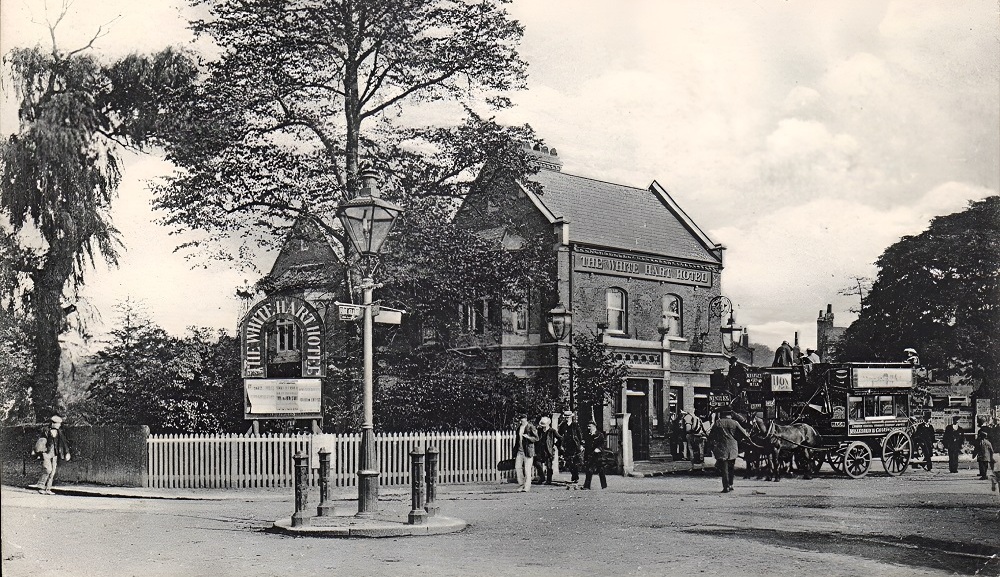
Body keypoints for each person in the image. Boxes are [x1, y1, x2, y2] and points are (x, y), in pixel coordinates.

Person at [707, 408, 750, 493]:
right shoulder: (735, 422)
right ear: (730, 415)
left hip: (721, 448)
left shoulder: (718, 423)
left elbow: (711, 436)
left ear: (722, 414)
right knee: (731, 468)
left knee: (724, 469)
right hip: (733, 448)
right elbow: (744, 434)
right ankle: (730, 485)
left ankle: (725, 487)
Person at [35, 415, 71, 495]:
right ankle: (41, 486)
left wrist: (67, 452)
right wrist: (40, 452)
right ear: (52, 423)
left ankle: (48, 488)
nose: (59, 425)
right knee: (48, 469)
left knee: (53, 471)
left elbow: (64, 443)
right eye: (58, 423)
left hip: (55, 454)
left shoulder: (59, 432)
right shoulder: (45, 430)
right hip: (46, 453)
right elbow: (41, 441)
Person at [512, 414, 539, 492]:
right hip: (520, 451)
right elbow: (517, 440)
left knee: (527, 469)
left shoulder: (531, 427)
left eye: (523, 419)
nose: (521, 420)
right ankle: (521, 484)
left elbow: (536, 438)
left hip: (528, 451)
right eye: (520, 419)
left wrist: (528, 437)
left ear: (526, 419)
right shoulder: (519, 428)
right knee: (518, 467)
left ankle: (527, 486)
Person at [557, 410, 584, 485]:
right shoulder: (563, 425)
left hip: (574, 445)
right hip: (567, 445)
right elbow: (559, 435)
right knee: (569, 462)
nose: (567, 418)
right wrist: (560, 445)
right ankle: (574, 475)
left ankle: (575, 477)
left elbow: (579, 435)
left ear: (571, 417)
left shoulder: (575, 425)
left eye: (568, 417)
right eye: (566, 417)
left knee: (575, 461)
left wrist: (581, 444)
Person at [533, 416, 560, 485]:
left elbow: (560, 438)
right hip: (540, 449)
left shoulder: (552, 431)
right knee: (537, 463)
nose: (543, 426)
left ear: (548, 424)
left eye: (544, 425)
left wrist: (555, 444)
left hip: (548, 450)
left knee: (549, 465)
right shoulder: (539, 430)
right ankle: (542, 477)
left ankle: (549, 480)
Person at [582, 421, 608, 490]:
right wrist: (583, 447)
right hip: (590, 455)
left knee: (601, 470)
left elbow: (602, 444)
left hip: (598, 456)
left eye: (590, 426)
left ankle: (604, 485)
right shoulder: (587, 435)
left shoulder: (600, 435)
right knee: (589, 470)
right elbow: (586, 444)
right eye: (588, 426)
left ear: (594, 426)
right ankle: (587, 486)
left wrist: (598, 448)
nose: (588, 428)